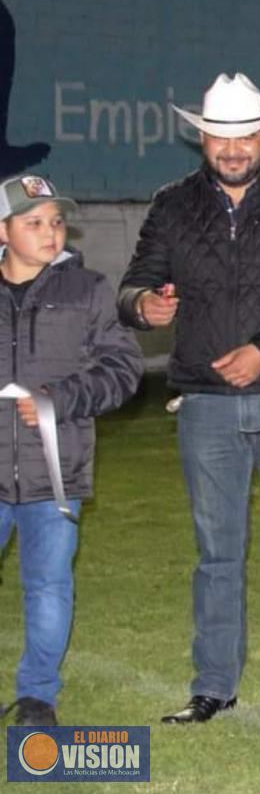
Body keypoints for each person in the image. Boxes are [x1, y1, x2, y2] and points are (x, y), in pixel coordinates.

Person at [117, 73, 260, 725]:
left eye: (243, 134)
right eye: (219, 135)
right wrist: (144, 303)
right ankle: (213, 686)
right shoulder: (171, 206)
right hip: (205, 403)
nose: (231, 147)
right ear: (201, 135)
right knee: (216, 553)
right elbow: (131, 287)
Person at [0, 175, 141, 727]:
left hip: (54, 474)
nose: (50, 232)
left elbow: (124, 369)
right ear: (4, 231)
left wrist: (62, 398)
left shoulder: (87, 291)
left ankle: (37, 697)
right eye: (34, 222)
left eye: (56, 221)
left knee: (49, 588)